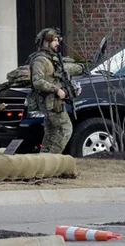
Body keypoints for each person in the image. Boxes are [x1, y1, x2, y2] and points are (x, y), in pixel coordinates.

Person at [27, 27, 74, 155]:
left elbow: (57, 78)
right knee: (65, 129)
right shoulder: (40, 60)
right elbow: (37, 81)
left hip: (54, 102)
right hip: (50, 102)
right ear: (46, 42)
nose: (57, 43)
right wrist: (57, 90)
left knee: (51, 133)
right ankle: (53, 158)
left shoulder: (51, 59)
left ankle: (44, 159)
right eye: (55, 40)